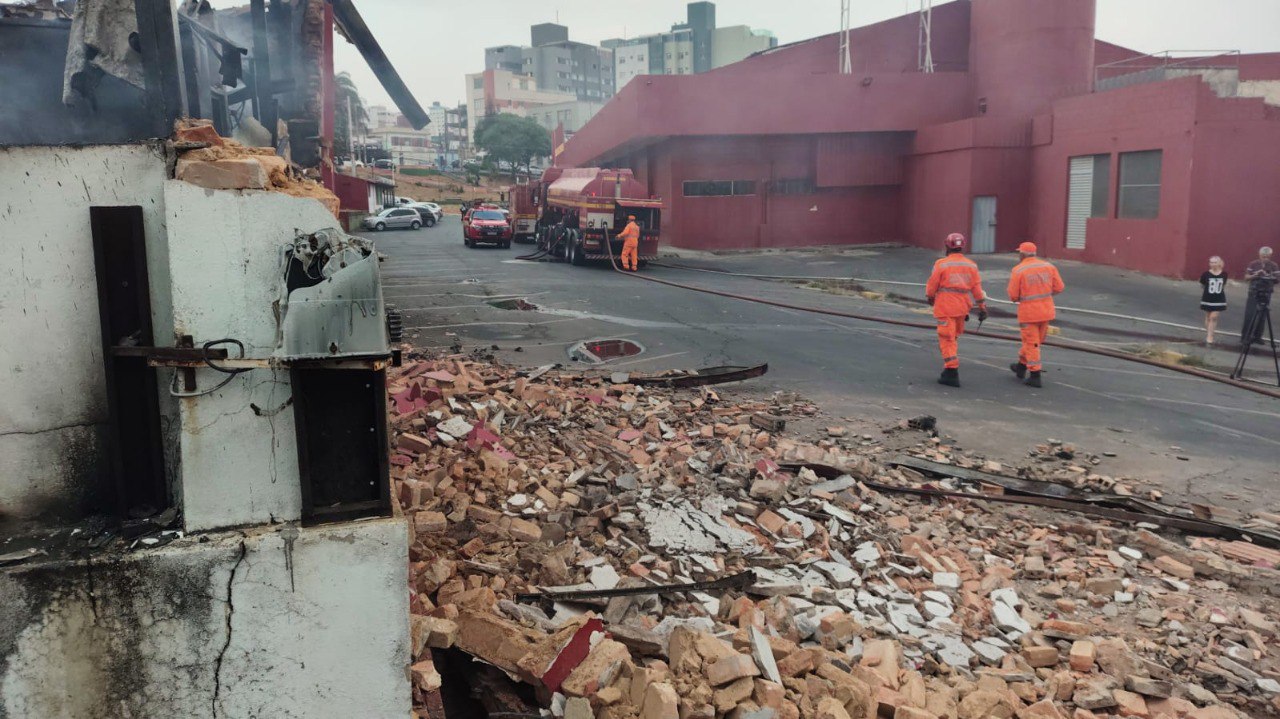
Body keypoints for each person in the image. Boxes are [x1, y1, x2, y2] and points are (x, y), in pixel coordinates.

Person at [925, 233, 987, 387]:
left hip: (946, 307)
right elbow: (977, 289)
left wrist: (930, 297)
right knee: (953, 338)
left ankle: (951, 372)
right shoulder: (971, 265)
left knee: (947, 339)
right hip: (962, 308)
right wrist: (982, 308)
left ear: (947, 246)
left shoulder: (941, 264)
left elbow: (932, 286)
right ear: (962, 246)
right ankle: (949, 370)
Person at [1007, 242, 1065, 388]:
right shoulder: (1048, 267)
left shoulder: (1019, 270)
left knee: (1032, 343)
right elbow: (1059, 287)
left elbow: (1013, 295)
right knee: (1035, 341)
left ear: (1022, 254)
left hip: (1029, 314)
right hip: (1046, 311)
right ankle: (1021, 366)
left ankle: (1035, 375)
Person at [1241, 246, 1278, 346]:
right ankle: (1245, 337)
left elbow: (1277, 279)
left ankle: (1257, 337)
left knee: (1263, 315)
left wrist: (1268, 275)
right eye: (1263, 256)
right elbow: (1246, 277)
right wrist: (1256, 274)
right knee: (1250, 314)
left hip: (1267, 292)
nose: (1265, 258)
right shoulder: (1253, 264)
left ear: (1270, 256)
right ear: (1259, 255)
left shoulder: (1273, 265)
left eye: (1267, 256)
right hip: (1254, 291)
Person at [1198, 256, 1228, 345]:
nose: (1213, 264)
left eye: (1215, 262)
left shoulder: (1224, 274)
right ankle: (1209, 332)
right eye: (1211, 262)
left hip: (1219, 298)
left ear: (1219, 263)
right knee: (1208, 316)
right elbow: (1202, 284)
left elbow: (1223, 285)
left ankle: (1210, 336)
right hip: (1208, 298)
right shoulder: (1205, 274)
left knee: (1213, 317)